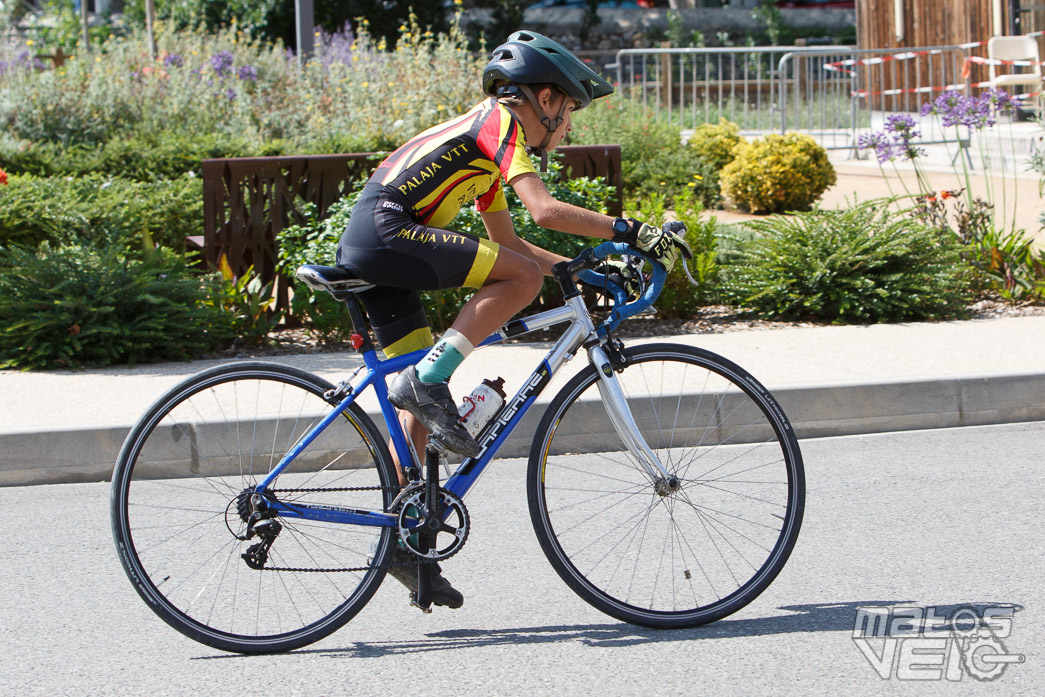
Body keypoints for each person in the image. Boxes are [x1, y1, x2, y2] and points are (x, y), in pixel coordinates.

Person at [336, 30, 690, 608]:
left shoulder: (485, 149)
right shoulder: (501, 125)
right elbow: (546, 211)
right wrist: (631, 231)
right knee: (482, 321)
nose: (570, 124)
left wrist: (582, 271)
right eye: (570, 109)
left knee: (426, 390)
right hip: (387, 234)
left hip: (379, 247)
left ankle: (403, 536)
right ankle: (424, 382)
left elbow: (513, 244)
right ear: (544, 99)